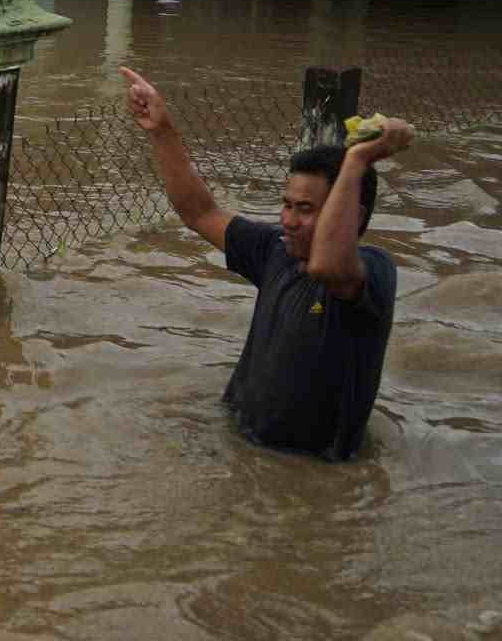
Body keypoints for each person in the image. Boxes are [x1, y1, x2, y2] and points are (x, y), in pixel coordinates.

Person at [120, 66, 411, 461]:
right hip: (241, 450)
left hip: (308, 481)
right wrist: (161, 129)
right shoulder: (277, 249)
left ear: (353, 217)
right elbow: (199, 211)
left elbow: (327, 266)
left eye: (305, 210)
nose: (288, 220)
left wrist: (357, 161)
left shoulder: (373, 273)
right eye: (286, 204)